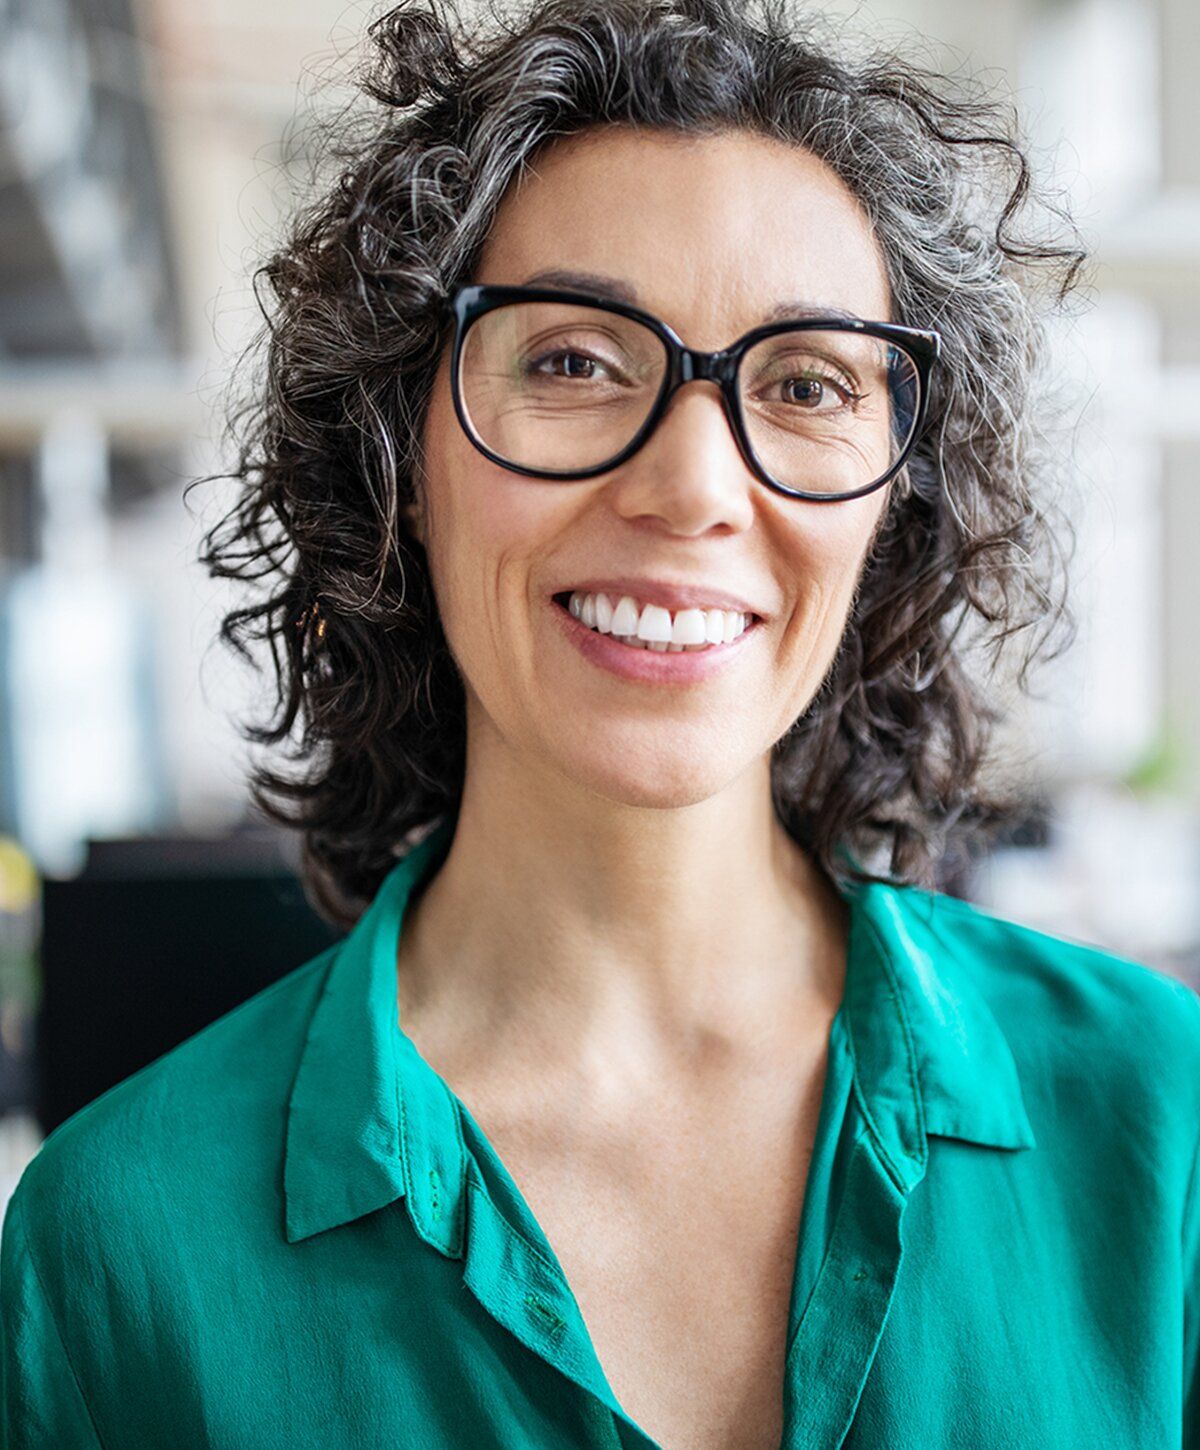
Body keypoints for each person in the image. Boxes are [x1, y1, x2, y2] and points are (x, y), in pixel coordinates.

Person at [4, 0, 1199, 1445]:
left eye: (809, 381)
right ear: (402, 459)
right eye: (572, 360)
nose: (693, 484)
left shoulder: (1161, 1125)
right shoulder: (122, 1250)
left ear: (897, 506)